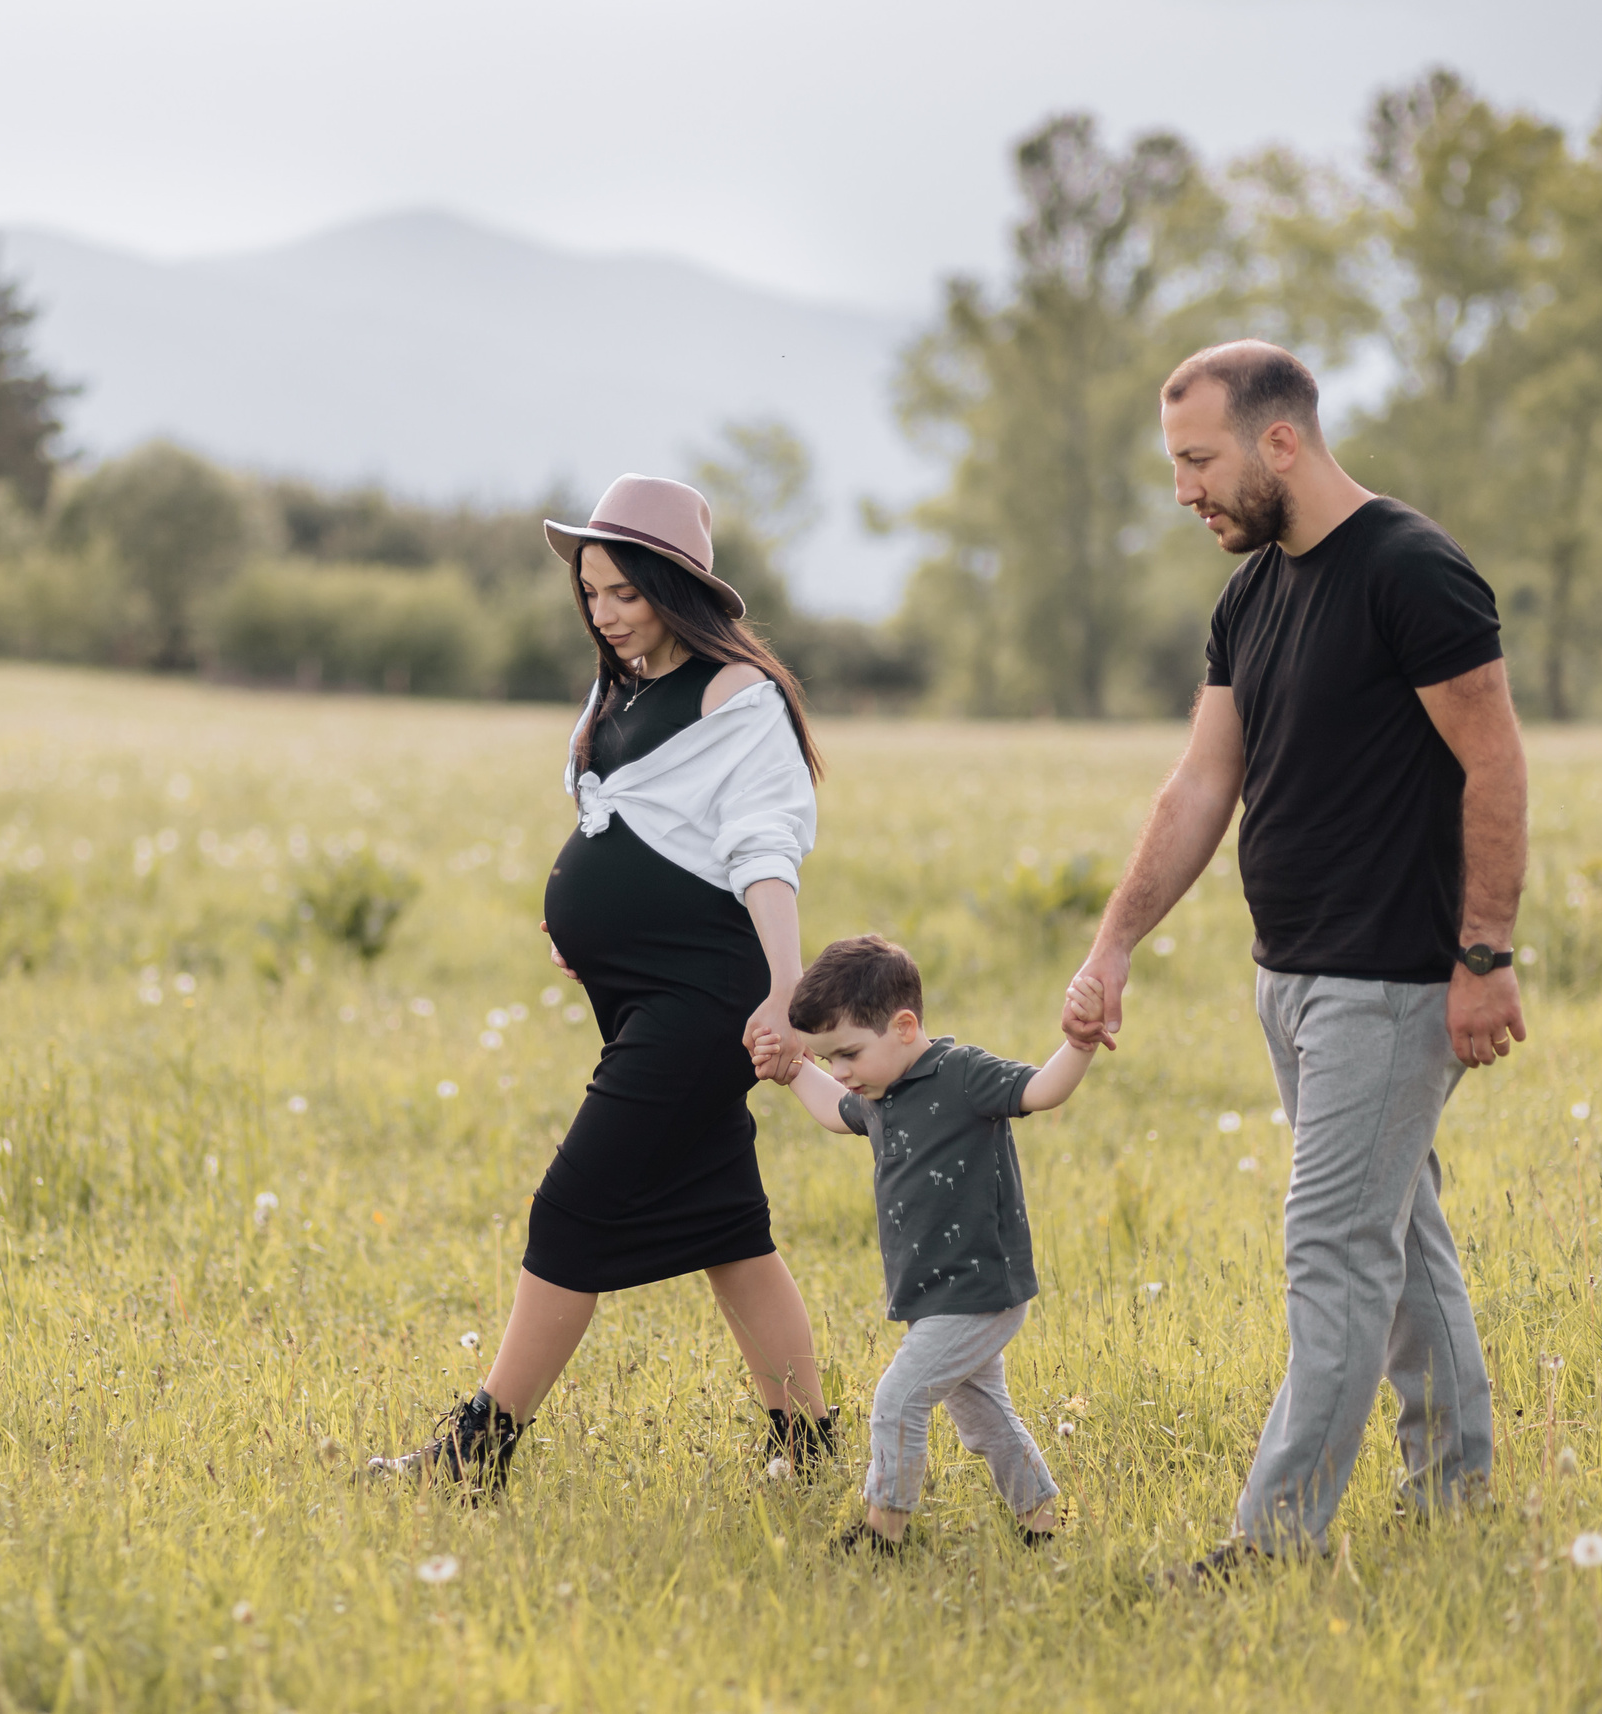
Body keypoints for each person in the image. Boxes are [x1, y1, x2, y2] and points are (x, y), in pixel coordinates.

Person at [1063, 340, 1529, 1580]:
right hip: (1291, 976)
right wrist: (1112, 943)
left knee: (1331, 1250)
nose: (1183, 492)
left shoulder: (1413, 572)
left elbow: (1494, 761)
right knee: (1399, 1241)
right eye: (1174, 465)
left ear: (1280, 441)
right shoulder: (1253, 591)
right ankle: (1458, 1499)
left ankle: (1270, 1549)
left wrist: (1484, 953)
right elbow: (1201, 781)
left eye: (1198, 460)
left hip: (1389, 982)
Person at [369, 473, 836, 1491]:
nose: (607, 612)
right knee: (727, 1225)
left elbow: (764, 848)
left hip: (704, 996)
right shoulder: (615, 690)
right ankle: (807, 1446)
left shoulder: (736, 696)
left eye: (626, 591)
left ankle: (475, 1454)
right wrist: (576, 915)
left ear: (678, 588)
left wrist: (785, 990)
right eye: (592, 591)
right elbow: (618, 815)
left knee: (570, 1210)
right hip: (635, 992)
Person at [763, 934, 1099, 1553]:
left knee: (898, 1400)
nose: (841, 1071)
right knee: (984, 1419)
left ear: (904, 1026)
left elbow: (1042, 1090)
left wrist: (1078, 1044)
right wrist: (795, 1071)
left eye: (849, 1054)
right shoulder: (877, 1093)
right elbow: (836, 1109)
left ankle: (883, 1532)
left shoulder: (962, 1074)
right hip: (934, 1296)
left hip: (978, 1290)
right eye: (829, 1058)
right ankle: (1042, 1525)